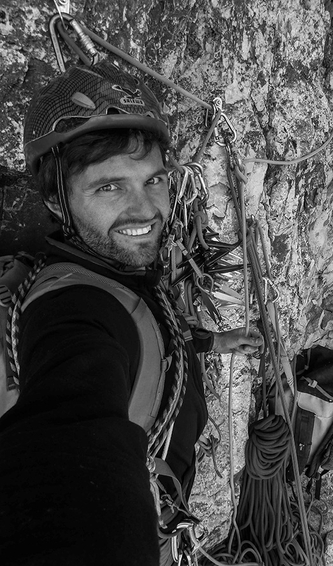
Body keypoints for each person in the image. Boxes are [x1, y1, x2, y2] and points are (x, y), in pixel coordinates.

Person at [0, 60, 262, 565]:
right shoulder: (76, 313)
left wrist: (217, 343)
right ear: (57, 204)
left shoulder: (124, 273)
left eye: (154, 179)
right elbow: (68, 436)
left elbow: (157, 339)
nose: (145, 210)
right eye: (109, 186)